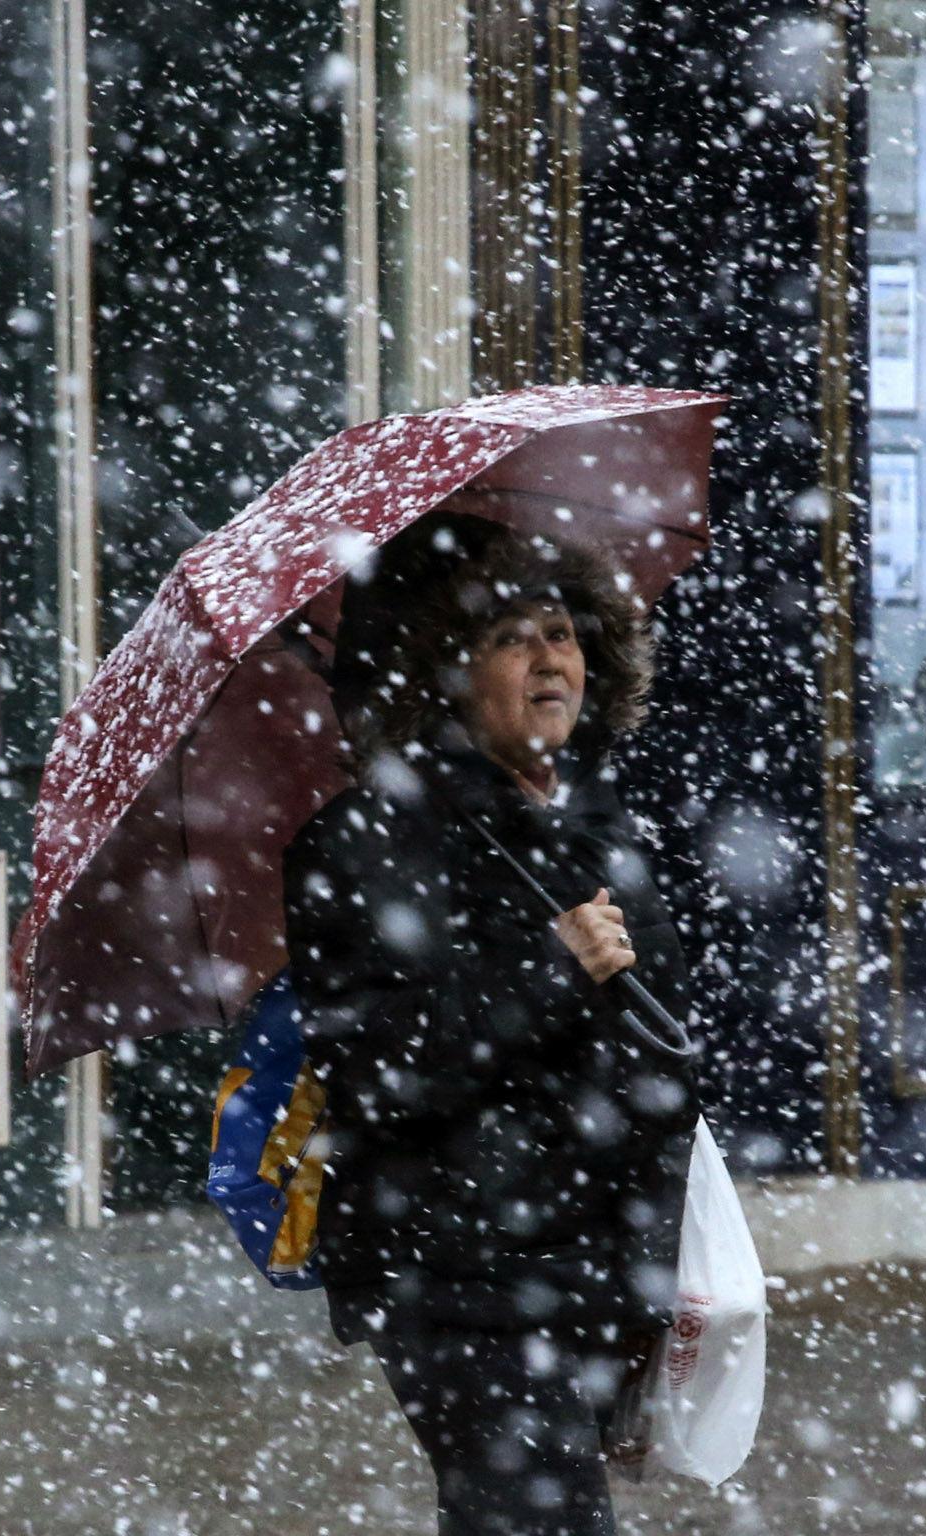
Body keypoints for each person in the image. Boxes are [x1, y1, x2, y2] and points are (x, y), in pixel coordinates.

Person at [280, 515, 702, 1536]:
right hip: (457, 1273)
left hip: (592, 1268)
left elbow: (653, 1044)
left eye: (561, 632)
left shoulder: (599, 823)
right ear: (442, 673)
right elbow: (381, 1067)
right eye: (511, 637)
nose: (549, 658)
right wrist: (549, 969)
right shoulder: (365, 837)